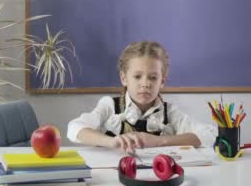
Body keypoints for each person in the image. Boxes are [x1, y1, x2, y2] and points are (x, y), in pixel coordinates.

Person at [67, 41, 216, 153]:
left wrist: (160, 141)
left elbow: (211, 134)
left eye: (153, 77)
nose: (145, 84)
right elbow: (74, 128)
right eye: (137, 76)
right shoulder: (110, 106)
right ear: (124, 78)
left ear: (162, 81)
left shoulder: (169, 112)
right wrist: (112, 142)